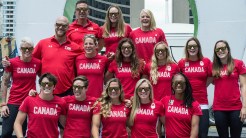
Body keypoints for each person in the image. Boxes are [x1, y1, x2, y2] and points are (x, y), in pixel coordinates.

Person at [0, 37, 41, 138]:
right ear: (20, 49)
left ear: (33, 49)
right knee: (5, 133)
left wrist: (39, 96)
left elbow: (43, 81)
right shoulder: (12, 63)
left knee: (22, 133)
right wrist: (2, 104)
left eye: (29, 48)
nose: (27, 50)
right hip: (14, 102)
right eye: (24, 48)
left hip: (30, 102)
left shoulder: (38, 63)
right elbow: (4, 83)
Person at [32, 16, 83, 96]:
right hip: (46, 89)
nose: (60, 27)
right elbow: (31, 62)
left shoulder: (75, 47)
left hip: (68, 91)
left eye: (64, 25)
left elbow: (86, 60)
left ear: (68, 27)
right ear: (54, 25)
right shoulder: (43, 43)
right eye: (58, 24)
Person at [177, 37, 212, 138]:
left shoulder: (206, 61)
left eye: (194, 46)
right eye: (190, 47)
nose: (192, 48)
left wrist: (202, 86)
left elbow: (211, 76)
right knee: (187, 133)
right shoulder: (182, 63)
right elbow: (178, 80)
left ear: (198, 48)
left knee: (202, 134)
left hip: (202, 103)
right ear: (187, 49)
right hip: (186, 103)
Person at [14, 73, 66, 138]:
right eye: (44, 84)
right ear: (40, 86)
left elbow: (65, 125)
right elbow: (17, 123)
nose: (46, 86)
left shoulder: (61, 102)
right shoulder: (29, 100)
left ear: (54, 86)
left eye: (49, 84)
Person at [212, 40, 246, 138]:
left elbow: (244, 86)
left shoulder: (238, 63)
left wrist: (244, 107)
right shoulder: (213, 66)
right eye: (218, 49)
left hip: (235, 108)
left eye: (223, 48)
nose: (220, 51)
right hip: (219, 108)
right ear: (215, 51)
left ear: (228, 50)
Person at [161, 72, 202, 138]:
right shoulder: (165, 101)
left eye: (182, 83)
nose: (179, 85)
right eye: (176, 82)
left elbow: (194, 128)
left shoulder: (194, 104)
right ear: (172, 85)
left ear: (186, 85)